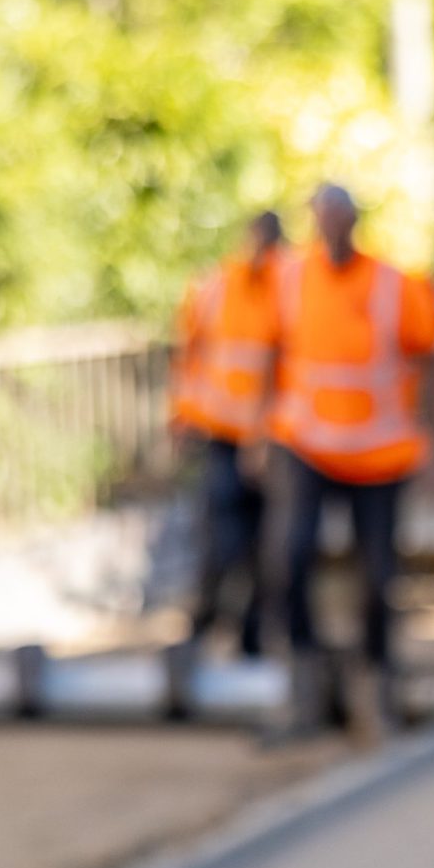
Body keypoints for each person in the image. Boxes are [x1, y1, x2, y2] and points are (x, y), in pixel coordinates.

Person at [267, 184, 434, 725]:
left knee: (377, 573)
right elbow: (270, 352)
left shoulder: (394, 286)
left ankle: (375, 674)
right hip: (306, 444)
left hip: (379, 454)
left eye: (338, 218)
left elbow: (432, 362)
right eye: (322, 218)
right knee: (290, 556)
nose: (330, 229)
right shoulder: (292, 278)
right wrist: (258, 432)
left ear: (353, 222)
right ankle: (304, 669)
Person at [170, 211, 281, 658]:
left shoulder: (288, 290)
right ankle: (205, 622)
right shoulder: (215, 288)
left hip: (270, 441)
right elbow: (189, 356)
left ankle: (252, 635)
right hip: (221, 434)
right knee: (221, 538)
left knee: (263, 543)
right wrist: (180, 417)